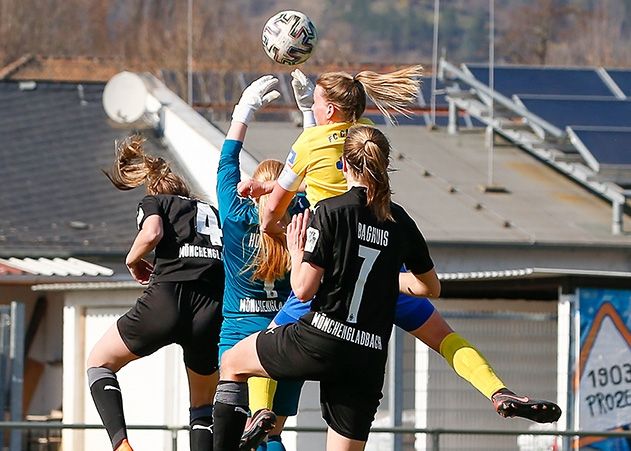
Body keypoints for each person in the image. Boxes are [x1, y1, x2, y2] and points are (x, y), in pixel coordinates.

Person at [244, 66, 561, 425]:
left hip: (333, 274)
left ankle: (261, 415)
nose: (313, 110)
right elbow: (337, 179)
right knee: (445, 339)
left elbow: (276, 210)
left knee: (262, 345)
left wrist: (282, 233)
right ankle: (498, 390)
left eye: (315, 104)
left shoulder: (308, 144)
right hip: (385, 264)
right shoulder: (366, 140)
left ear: (329, 110)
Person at [213, 124, 440, 451]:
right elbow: (429, 288)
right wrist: (383, 275)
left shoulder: (330, 211)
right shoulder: (401, 221)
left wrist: (295, 249)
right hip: (368, 354)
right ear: (384, 165)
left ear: (343, 165)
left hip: (321, 339)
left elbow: (303, 289)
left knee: (233, 363)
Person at [86, 134, 224, 451]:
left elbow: (153, 232)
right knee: (203, 406)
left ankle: (121, 444)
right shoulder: (212, 212)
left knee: (99, 363)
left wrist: (133, 260)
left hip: (167, 299)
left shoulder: (155, 201)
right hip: (210, 309)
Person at [216, 75, 305, 451]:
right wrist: (309, 118)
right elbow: (313, 175)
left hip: (239, 334)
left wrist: (245, 110)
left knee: (234, 435)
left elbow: (226, 160)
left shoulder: (235, 214)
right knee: (272, 436)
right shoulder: (299, 217)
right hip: (288, 335)